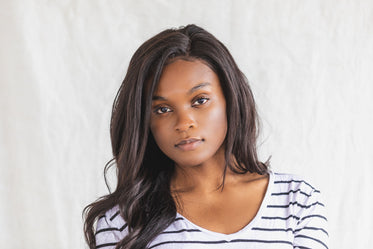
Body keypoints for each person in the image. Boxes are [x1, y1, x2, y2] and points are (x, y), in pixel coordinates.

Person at [83, 24, 328, 249]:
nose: (184, 123)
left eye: (200, 100)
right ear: (145, 122)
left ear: (231, 100)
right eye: (162, 109)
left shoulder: (296, 201)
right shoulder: (123, 220)